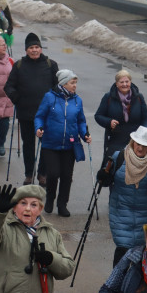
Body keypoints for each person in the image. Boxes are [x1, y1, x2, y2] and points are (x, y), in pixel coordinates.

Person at [99, 126, 147, 266]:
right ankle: (116, 285)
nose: (140, 148)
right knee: (123, 251)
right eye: (138, 144)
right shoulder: (119, 157)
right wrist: (102, 176)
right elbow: (105, 181)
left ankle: (133, 286)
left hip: (143, 216)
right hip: (120, 214)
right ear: (133, 142)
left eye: (144, 145)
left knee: (139, 258)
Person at [4, 33, 59, 184]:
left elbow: (58, 86)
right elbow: (8, 86)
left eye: (37, 47)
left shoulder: (50, 65)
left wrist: (54, 101)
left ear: (40, 49)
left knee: (46, 145)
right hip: (26, 114)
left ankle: (42, 173)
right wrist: (16, 98)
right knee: (28, 145)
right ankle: (29, 174)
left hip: (47, 114)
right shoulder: (19, 65)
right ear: (26, 50)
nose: (34, 50)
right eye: (31, 48)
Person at [34, 70, 89, 217]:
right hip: (50, 143)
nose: (75, 86)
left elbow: (81, 121)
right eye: (72, 83)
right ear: (63, 83)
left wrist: (85, 134)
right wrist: (38, 128)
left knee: (66, 176)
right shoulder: (49, 97)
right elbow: (39, 116)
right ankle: (50, 198)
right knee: (53, 173)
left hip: (70, 144)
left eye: (75, 83)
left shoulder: (77, 100)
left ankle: (62, 204)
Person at [94, 68, 147, 162]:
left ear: (130, 82)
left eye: (127, 81)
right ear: (116, 84)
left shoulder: (138, 97)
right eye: (121, 82)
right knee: (111, 169)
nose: (124, 84)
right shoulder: (108, 97)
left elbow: (146, 117)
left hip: (135, 141)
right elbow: (98, 116)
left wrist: (143, 132)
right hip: (115, 140)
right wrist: (109, 122)